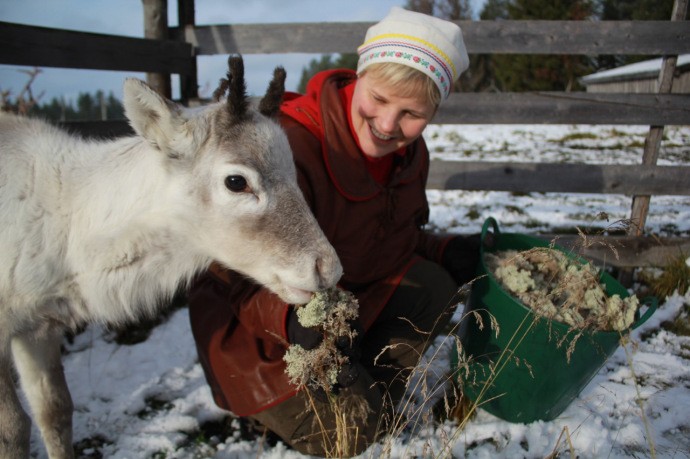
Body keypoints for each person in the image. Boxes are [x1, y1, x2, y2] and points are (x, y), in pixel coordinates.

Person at [188, 7, 480, 457]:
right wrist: (290, 321)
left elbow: (386, 236)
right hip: (260, 338)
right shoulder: (290, 144)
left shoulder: (409, 154)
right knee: (353, 435)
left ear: (434, 110)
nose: (387, 125)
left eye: (411, 113)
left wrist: (444, 250)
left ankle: (364, 392)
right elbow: (224, 269)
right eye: (379, 99)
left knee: (435, 287)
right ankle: (294, 408)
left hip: (342, 307)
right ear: (359, 75)